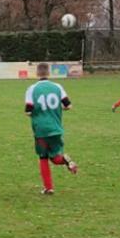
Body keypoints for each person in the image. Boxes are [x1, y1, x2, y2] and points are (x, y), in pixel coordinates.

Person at [25, 62, 77, 195]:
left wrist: (36, 113)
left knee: (43, 157)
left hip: (40, 130)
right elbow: (68, 105)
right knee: (54, 157)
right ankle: (66, 160)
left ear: (37, 73)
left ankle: (49, 187)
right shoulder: (57, 87)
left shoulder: (32, 89)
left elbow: (28, 111)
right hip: (55, 128)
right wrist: (59, 109)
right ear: (49, 73)